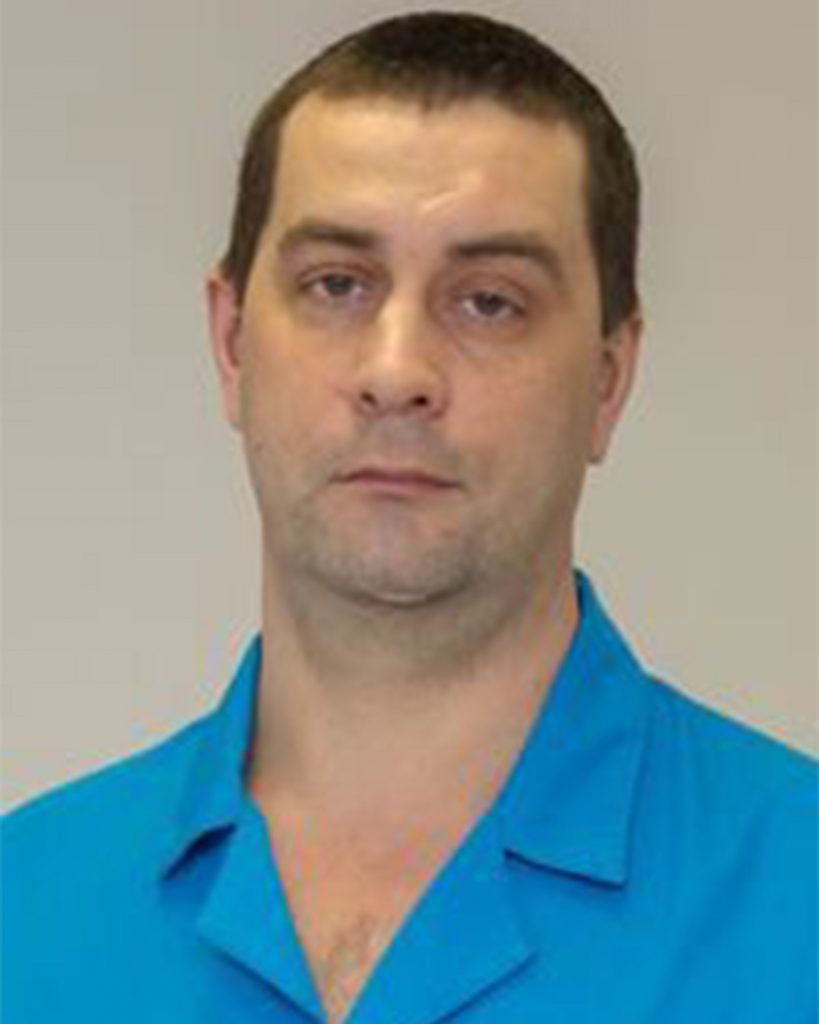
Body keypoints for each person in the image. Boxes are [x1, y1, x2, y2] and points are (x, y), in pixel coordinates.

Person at [2, 11, 816, 1023]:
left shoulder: (798, 898)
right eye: (337, 284)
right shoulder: (21, 911)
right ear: (232, 343)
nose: (397, 371)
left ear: (608, 380)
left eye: (490, 301)